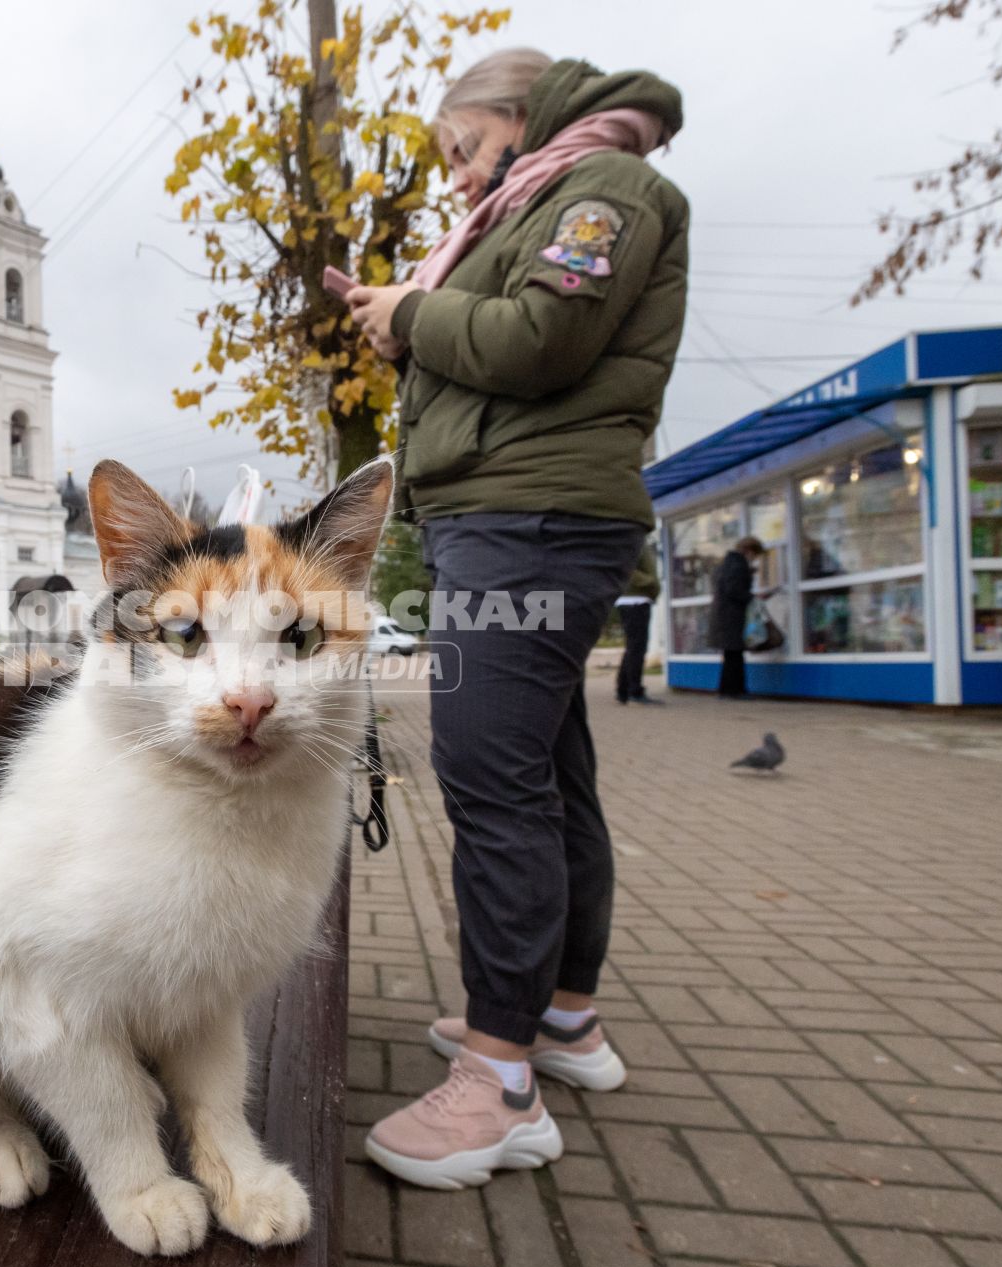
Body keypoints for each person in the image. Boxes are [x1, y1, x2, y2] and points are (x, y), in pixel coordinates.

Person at [343, 49, 687, 1186]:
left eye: (460, 148)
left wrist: (411, 309)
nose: (453, 178)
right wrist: (410, 321)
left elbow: (541, 340)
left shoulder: (605, 190)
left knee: (492, 780)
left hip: (525, 516)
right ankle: (561, 1019)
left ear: (519, 115)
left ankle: (498, 1084)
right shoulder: (551, 193)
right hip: (517, 511)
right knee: (550, 777)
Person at [710, 537, 763, 699]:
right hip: (732, 616)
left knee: (731, 655)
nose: (754, 559)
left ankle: (728, 690)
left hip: (723, 615)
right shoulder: (738, 565)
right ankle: (735, 690)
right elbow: (734, 589)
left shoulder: (725, 563)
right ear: (749, 551)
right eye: (755, 555)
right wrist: (752, 597)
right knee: (735, 655)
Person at [615, 543, 661, 706]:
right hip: (635, 599)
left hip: (635, 598)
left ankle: (624, 690)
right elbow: (624, 567)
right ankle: (634, 690)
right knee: (637, 647)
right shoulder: (633, 540)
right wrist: (650, 582)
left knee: (633, 647)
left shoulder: (637, 541)